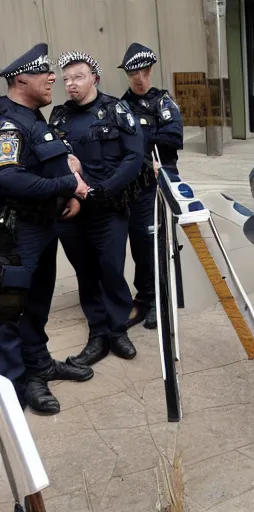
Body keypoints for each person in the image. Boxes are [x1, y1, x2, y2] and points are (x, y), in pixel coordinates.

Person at [0, 43, 93, 414]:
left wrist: (67, 195)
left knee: (38, 305)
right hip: (16, 236)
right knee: (10, 313)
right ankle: (16, 388)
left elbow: (49, 163)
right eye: (44, 72)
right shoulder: (9, 123)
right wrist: (67, 186)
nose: (53, 77)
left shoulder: (35, 117)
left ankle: (39, 364)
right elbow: (9, 180)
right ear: (20, 78)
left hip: (43, 226)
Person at [49, 51, 144, 367]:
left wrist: (99, 189)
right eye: (66, 80)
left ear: (95, 78)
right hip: (73, 212)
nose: (71, 84)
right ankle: (98, 333)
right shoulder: (59, 116)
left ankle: (118, 330)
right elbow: (54, 161)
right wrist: (73, 189)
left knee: (111, 269)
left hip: (108, 207)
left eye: (77, 77)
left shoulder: (117, 110)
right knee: (86, 273)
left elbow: (134, 158)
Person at [118, 42, 184, 330]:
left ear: (151, 70)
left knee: (159, 243)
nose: (139, 78)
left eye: (144, 71)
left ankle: (160, 299)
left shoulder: (164, 103)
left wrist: (141, 142)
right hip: (133, 187)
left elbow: (173, 138)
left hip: (160, 183)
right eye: (133, 73)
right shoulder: (120, 106)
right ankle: (144, 297)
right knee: (138, 244)